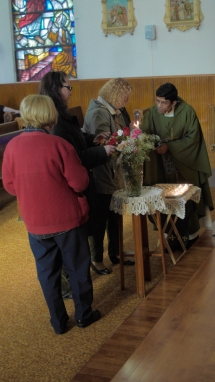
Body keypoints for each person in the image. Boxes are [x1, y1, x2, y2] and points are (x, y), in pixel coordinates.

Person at [2, 94, 101, 334]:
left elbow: (9, 186)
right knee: (77, 268)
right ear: (51, 115)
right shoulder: (58, 144)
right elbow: (79, 183)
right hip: (67, 220)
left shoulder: (12, 145)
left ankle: (58, 321)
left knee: (47, 273)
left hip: (35, 223)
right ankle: (83, 315)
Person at [39, 71, 116, 290]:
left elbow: (78, 138)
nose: (71, 92)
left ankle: (74, 281)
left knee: (77, 239)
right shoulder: (56, 121)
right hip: (68, 190)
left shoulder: (61, 115)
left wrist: (93, 139)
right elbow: (73, 158)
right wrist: (102, 152)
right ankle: (68, 286)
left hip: (77, 185)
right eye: (68, 87)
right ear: (56, 89)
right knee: (68, 242)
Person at [140, 82, 214, 249]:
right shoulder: (152, 113)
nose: (159, 105)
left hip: (183, 165)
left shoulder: (187, 112)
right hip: (162, 167)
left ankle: (191, 236)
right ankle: (168, 236)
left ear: (174, 102)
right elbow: (145, 135)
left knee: (185, 199)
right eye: (157, 101)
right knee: (163, 199)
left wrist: (170, 147)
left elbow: (193, 139)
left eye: (163, 102)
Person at [82, 77, 135, 275]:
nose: (127, 101)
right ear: (115, 94)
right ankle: (97, 259)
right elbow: (101, 145)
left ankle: (116, 252)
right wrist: (124, 143)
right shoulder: (98, 113)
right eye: (125, 96)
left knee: (115, 214)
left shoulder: (116, 111)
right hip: (102, 173)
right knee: (100, 217)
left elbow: (123, 133)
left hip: (114, 171)